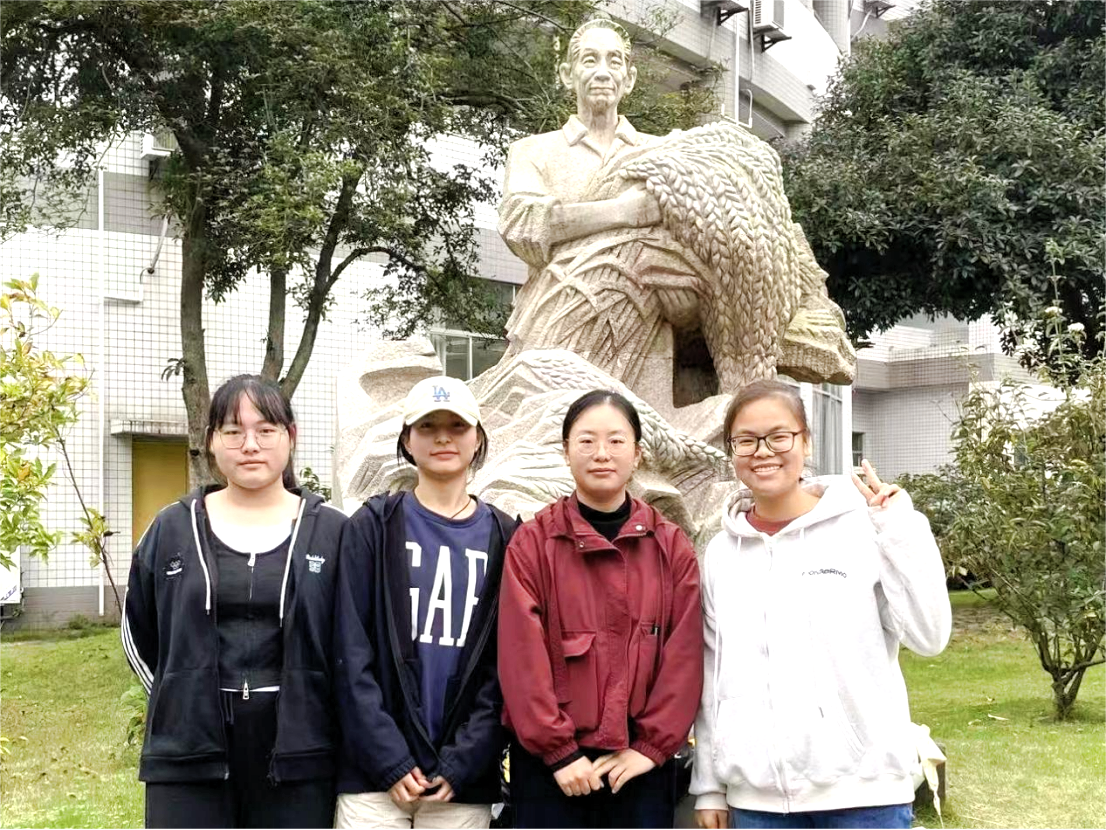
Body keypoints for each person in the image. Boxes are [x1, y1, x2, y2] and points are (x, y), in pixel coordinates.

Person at [691, 379, 952, 830]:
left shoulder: (865, 528)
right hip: (758, 804)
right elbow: (714, 676)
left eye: (779, 436)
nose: (763, 451)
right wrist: (710, 786)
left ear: (806, 442)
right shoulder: (721, 553)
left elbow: (929, 637)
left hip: (866, 797)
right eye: (746, 440)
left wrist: (901, 530)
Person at [121, 374, 346, 828]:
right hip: (188, 752)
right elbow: (137, 629)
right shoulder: (172, 528)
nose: (250, 445)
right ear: (211, 440)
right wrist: (179, 696)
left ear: (291, 436)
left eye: (266, 430)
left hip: (301, 752)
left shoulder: (334, 531)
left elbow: (355, 641)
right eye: (233, 431)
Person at [498, 389, 704, 829]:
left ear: (638, 453)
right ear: (566, 451)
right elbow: (520, 656)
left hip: (639, 767)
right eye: (586, 441)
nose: (601, 454)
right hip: (550, 770)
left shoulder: (670, 546)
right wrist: (558, 751)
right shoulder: (533, 542)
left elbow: (684, 656)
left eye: (616, 440)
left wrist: (651, 747)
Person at [333, 376, 519, 829]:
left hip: (461, 784)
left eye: (457, 426)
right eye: (428, 426)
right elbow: (349, 654)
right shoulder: (373, 528)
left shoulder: (506, 538)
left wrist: (463, 762)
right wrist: (389, 760)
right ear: (406, 440)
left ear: (478, 438)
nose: (442, 438)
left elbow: (508, 668)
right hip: (373, 780)